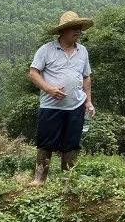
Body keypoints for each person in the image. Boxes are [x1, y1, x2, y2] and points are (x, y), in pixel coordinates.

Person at [28, 11, 96, 185]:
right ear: (63, 31)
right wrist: (48, 89)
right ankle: (39, 180)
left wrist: (88, 101)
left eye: (79, 28)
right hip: (51, 106)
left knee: (72, 144)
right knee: (45, 142)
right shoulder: (46, 50)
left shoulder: (83, 51)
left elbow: (86, 76)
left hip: (76, 106)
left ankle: (68, 181)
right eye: (74, 28)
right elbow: (33, 73)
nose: (78, 31)